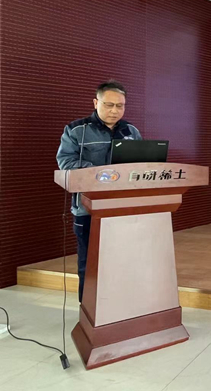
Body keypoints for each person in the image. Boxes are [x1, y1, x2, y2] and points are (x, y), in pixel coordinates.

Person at [56, 80, 142, 302]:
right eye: (109, 105)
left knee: (122, 260)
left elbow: (141, 165)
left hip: (123, 208)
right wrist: (103, 173)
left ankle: (120, 305)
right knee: (90, 263)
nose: (115, 110)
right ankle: (89, 309)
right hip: (87, 209)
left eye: (120, 106)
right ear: (96, 103)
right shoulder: (77, 130)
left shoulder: (131, 131)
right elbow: (66, 162)